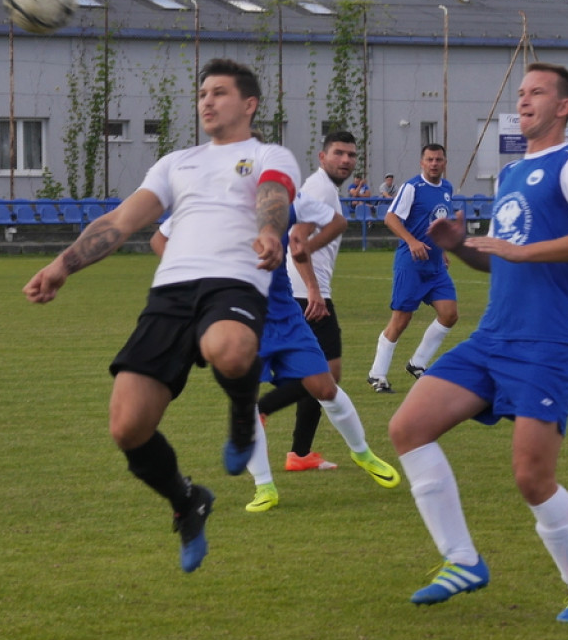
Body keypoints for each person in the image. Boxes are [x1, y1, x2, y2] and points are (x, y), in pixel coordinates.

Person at [22, 58, 299, 573]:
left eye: (219, 92)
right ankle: (187, 499)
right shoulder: (177, 163)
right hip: (170, 292)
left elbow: (274, 194)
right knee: (127, 427)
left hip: (233, 281)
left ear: (249, 104)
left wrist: (268, 231)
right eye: (202, 95)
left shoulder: (268, 153)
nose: (207, 102)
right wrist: (63, 264)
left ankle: (244, 415)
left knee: (231, 349)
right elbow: (122, 220)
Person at [388, 63, 568, 622]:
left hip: (547, 339)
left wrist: (519, 251)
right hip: (494, 335)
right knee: (407, 428)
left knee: (532, 477)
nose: (524, 100)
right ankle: (462, 559)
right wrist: (462, 246)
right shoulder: (513, 175)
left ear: (563, 107)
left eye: (537, 92)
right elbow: (501, 259)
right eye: (521, 93)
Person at [153, 189, 401, 512]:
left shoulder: (283, 203)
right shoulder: (207, 202)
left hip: (285, 317)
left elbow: (335, 222)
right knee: (246, 403)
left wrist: (308, 267)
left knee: (325, 387)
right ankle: (264, 487)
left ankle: (362, 453)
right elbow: (160, 239)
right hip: (239, 322)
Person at [258, 131, 360, 471]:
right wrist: (314, 290)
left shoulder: (326, 190)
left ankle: (299, 454)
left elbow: (302, 242)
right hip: (306, 294)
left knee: (326, 376)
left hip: (309, 291)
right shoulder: (318, 188)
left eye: (351, 155)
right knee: (326, 376)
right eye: (339, 153)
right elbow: (297, 238)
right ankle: (263, 409)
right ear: (322, 157)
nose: (346, 160)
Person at [367, 143, 458, 393]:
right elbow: (390, 218)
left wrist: (444, 250)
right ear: (422, 162)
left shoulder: (448, 189)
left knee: (449, 313)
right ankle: (377, 374)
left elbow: (439, 223)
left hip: (436, 266)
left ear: (445, 162)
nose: (434, 163)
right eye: (429, 159)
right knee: (401, 318)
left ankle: (417, 363)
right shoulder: (412, 187)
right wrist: (412, 241)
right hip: (412, 264)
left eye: (439, 159)